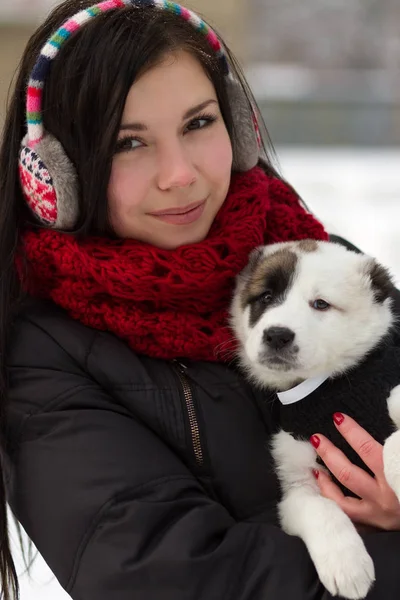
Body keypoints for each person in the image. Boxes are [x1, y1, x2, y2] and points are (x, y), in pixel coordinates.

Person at [0, 1, 399, 599]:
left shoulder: (323, 262)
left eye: (198, 124)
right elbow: (180, 578)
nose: (180, 173)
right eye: (127, 142)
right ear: (57, 174)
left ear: (237, 126)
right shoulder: (43, 354)